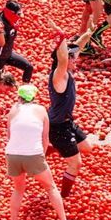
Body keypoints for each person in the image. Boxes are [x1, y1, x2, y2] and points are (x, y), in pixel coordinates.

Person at [5, 85, 75, 220]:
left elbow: (9, 136)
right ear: (34, 97)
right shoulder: (41, 110)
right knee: (50, 187)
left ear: (19, 97)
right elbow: (45, 138)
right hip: (33, 154)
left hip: (12, 155)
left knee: (18, 189)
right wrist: (41, 156)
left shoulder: (13, 110)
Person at [47, 20, 94, 198]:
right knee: (76, 164)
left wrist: (88, 33)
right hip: (58, 127)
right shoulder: (59, 76)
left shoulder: (68, 71)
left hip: (67, 122)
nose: (76, 60)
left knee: (87, 148)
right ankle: (64, 196)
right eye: (73, 58)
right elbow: (64, 57)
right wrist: (60, 35)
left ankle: (51, 147)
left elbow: (76, 48)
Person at [0, 0, 33, 85]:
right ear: (11, 13)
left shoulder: (11, 19)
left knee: (28, 67)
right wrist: (0, 31)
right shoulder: (1, 24)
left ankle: (24, 92)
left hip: (8, 54)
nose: (20, 16)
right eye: (18, 14)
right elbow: (1, 43)